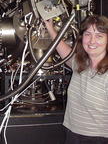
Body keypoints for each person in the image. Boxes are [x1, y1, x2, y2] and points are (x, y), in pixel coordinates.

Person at [44, 15, 108, 144]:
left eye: (99, 36)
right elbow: (65, 52)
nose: (92, 41)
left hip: (99, 138)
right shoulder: (81, 64)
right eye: (87, 34)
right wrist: (50, 29)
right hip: (73, 133)